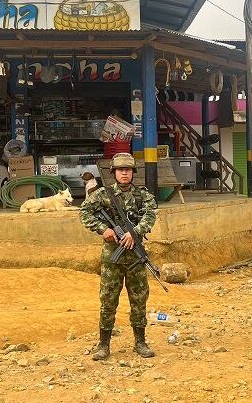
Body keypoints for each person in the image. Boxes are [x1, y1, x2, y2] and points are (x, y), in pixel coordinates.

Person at [79, 153, 158, 361]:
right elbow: (84, 212)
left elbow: (151, 215)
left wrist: (135, 232)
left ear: (133, 172)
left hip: (135, 257)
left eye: (128, 169)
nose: (124, 173)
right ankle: (103, 345)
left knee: (139, 300)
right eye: (120, 170)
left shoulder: (143, 195)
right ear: (114, 172)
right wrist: (103, 229)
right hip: (111, 258)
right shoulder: (102, 194)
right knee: (108, 300)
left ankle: (140, 342)